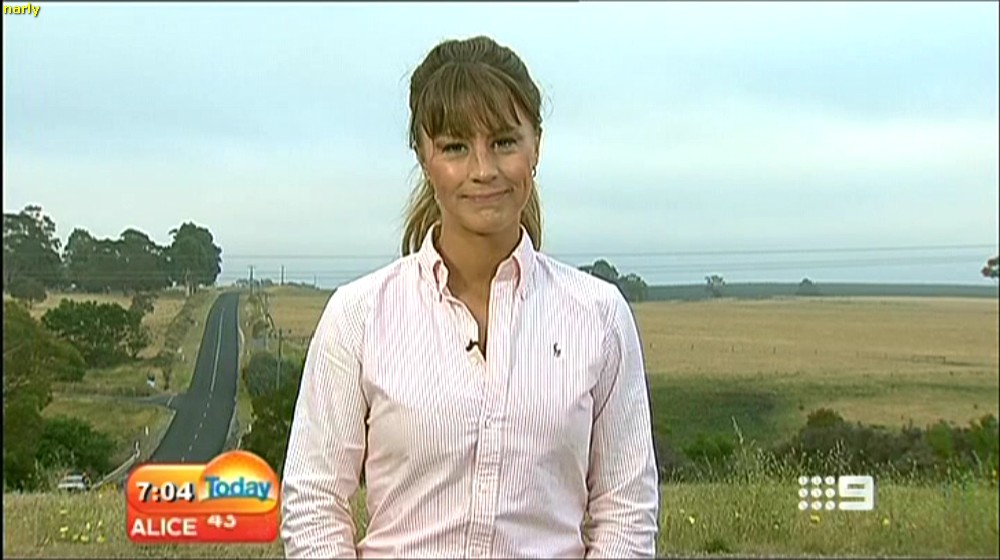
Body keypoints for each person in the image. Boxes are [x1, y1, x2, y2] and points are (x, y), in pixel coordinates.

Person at [281, 35, 659, 558]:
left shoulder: (599, 317)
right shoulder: (359, 316)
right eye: (455, 147)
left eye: (503, 141)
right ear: (423, 156)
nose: (483, 169)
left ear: (536, 146)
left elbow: (627, 511)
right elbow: (314, 502)